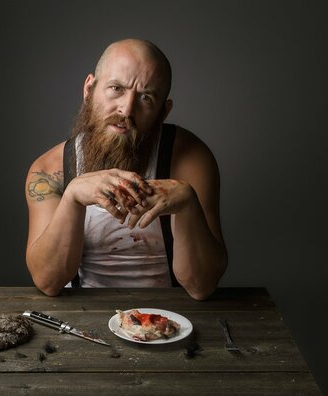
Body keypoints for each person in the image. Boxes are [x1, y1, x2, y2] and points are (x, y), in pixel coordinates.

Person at [25, 39, 227, 300]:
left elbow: (202, 286)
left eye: (145, 97)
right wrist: (72, 196)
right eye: (116, 88)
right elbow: (48, 281)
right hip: (81, 316)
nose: (126, 109)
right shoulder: (50, 169)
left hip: (170, 319)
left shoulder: (189, 158)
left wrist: (188, 205)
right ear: (89, 89)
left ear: (163, 112)